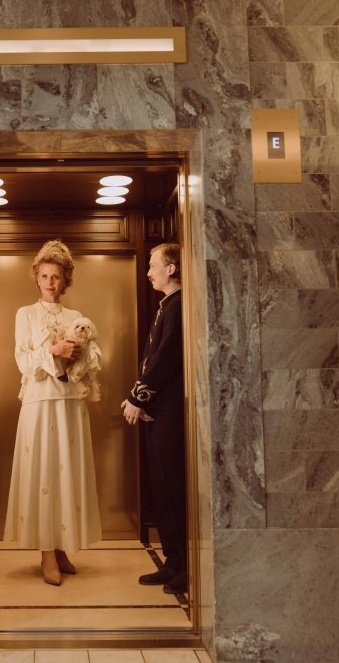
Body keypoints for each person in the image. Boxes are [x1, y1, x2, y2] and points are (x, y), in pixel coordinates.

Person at [4, 240, 103, 586]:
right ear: (36, 278)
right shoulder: (25, 314)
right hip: (39, 402)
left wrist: (79, 353)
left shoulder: (76, 318)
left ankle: (62, 547)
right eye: (45, 276)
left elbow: (93, 356)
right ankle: (46, 550)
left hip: (70, 403)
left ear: (65, 281)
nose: (50, 282)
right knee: (44, 472)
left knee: (66, 474)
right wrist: (53, 349)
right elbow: (23, 361)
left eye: (56, 276)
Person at [121, 243, 187, 595]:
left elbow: (166, 360)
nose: (148, 272)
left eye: (153, 265)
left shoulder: (178, 305)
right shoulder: (167, 306)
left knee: (174, 488)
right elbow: (152, 362)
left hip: (170, 414)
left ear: (171, 269)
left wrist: (138, 397)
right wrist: (141, 397)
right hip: (156, 411)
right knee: (161, 488)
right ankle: (172, 562)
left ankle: (185, 566)